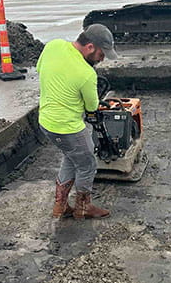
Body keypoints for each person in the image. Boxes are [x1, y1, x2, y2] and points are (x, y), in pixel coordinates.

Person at [36, 23, 118, 220]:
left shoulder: (53, 46)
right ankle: (84, 206)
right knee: (87, 163)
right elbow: (91, 107)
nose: (102, 58)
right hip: (68, 128)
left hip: (46, 122)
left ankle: (60, 207)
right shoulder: (87, 74)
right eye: (101, 53)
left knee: (72, 157)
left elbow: (40, 70)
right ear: (90, 47)